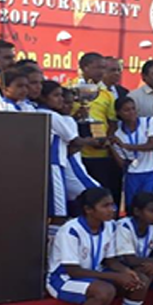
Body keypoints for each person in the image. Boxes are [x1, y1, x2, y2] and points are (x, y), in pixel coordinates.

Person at [46, 188, 149, 305]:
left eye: (112, 205)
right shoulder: (70, 230)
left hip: (92, 274)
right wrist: (116, 276)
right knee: (104, 291)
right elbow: (73, 271)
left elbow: (110, 260)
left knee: (140, 280)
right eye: (105, 206)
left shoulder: (108, 226)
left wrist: (126, 271)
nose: (112, 209)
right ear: (88, 209)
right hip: (63, 279)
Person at [37, 81, 102, 223]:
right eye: (56, 96)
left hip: (53, 165)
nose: (62, 101)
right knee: (59, 211)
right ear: (43, 97)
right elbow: (74, 142)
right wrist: (93, 142)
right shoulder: (52, 116)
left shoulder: (39, 112)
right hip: (56, 164)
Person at [72, 53, 122, 206]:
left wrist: (105, 139)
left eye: (103, 68)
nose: (101, 72)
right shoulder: (69, 89)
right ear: (84, 67)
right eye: (98, 67)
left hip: (100, 154)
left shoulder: (107, 94)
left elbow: (113, 122)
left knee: (101, 194)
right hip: (76, 153)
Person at [110, 97, 153, 210]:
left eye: (133, 108)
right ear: (118, 113)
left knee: (150, 204)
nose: (131, 112)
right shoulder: (118, 134)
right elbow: (122, 163)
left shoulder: (150, 121)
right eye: (126, 110)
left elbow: (151, 145)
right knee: (132, 206)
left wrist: (126, 146)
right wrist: (111, 146)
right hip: (132, 173)